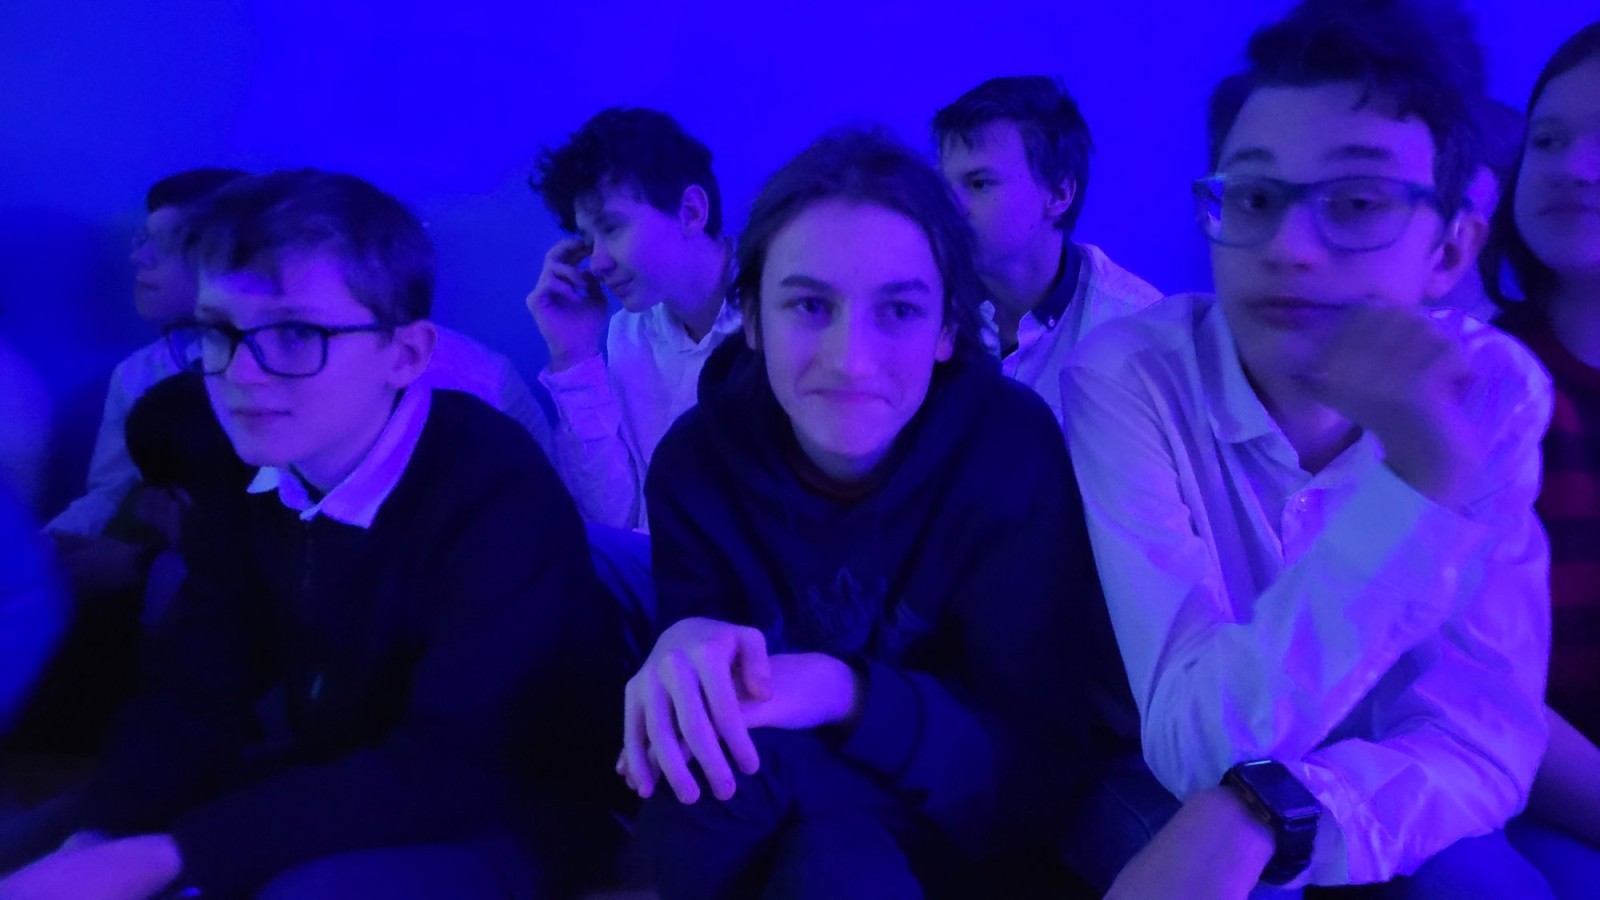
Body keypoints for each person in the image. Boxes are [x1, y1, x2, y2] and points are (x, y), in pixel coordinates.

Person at [0, 169, 628, 899]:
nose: (240, 372)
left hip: (518, 802)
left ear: (406, 355)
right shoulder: (242, 459)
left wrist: (170, 855)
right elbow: (194, 689)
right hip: (351, 767)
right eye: (218, 331)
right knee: (50, 840)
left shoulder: (493, 487)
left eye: (296, 333)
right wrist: (108, 830)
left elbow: (454, 764)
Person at [1062, 1, 1554, 895]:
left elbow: (1483, 740)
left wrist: (1279, 812)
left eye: (1357, 203)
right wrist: (1415, 487)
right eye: (1254, 198)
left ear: (1451, 248)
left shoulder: (1493, 397)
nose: (1288, 248)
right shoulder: (1132, 378)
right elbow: (1190, 745)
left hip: (1366, 796)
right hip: (1161, 785)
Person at [622, 128, 1119, 898]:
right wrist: (680, 649)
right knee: (752, 817)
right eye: (809, 305)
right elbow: (705, 747)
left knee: (820, 850)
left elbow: (1034, 774)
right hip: (776, 812)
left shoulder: (1010, 454)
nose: (850, 360)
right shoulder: (697, 464)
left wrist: (840, 688)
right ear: (751, 318)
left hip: (966, 822)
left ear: (947, 328)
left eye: (900, 310)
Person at [1482, 21, 1600, 897]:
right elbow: (1486, 690)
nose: (1573, 166)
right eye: (1549, 140)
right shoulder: (1482, 383)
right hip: (1531, 795)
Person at [527, 107, 741, 531]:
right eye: (587, 240)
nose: (597, 262)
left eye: (611, 228)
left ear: (690, 211)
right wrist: (574, 355)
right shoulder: (629, 331)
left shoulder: (780, 319)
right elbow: (616, 518)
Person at [933, 76, 1162, 417]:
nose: (948, 205)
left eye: (979, 184)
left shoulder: (1137, 331)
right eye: (943, 184)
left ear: (1058, 194)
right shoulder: (921, 305)